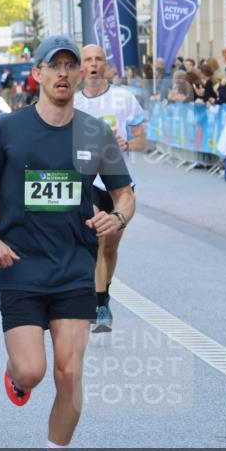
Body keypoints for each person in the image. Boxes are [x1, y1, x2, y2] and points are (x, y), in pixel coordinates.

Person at [0, 35, 134, 451]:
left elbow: (125, 193)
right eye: (53, 65)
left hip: (75, 268)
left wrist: (116, 218)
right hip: (18, 266)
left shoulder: (95, 134)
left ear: (82, 75)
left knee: (69, 372)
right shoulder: (8, 129)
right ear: (36, 74)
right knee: (34, 371)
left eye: (71, 65)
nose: (63, 73)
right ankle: (17, 374)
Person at [74, 43, 145, 332]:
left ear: (106, 65)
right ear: (81, 67)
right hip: (88, 182)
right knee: (97, 242)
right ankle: (100, 303)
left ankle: (104, 292)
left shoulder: (124, 98)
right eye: (88, 60)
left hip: (119, 184)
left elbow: (143, 141)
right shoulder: (73, 103)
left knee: (110, 247)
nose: (93, 64)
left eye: (98, 59)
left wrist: (128, 143)